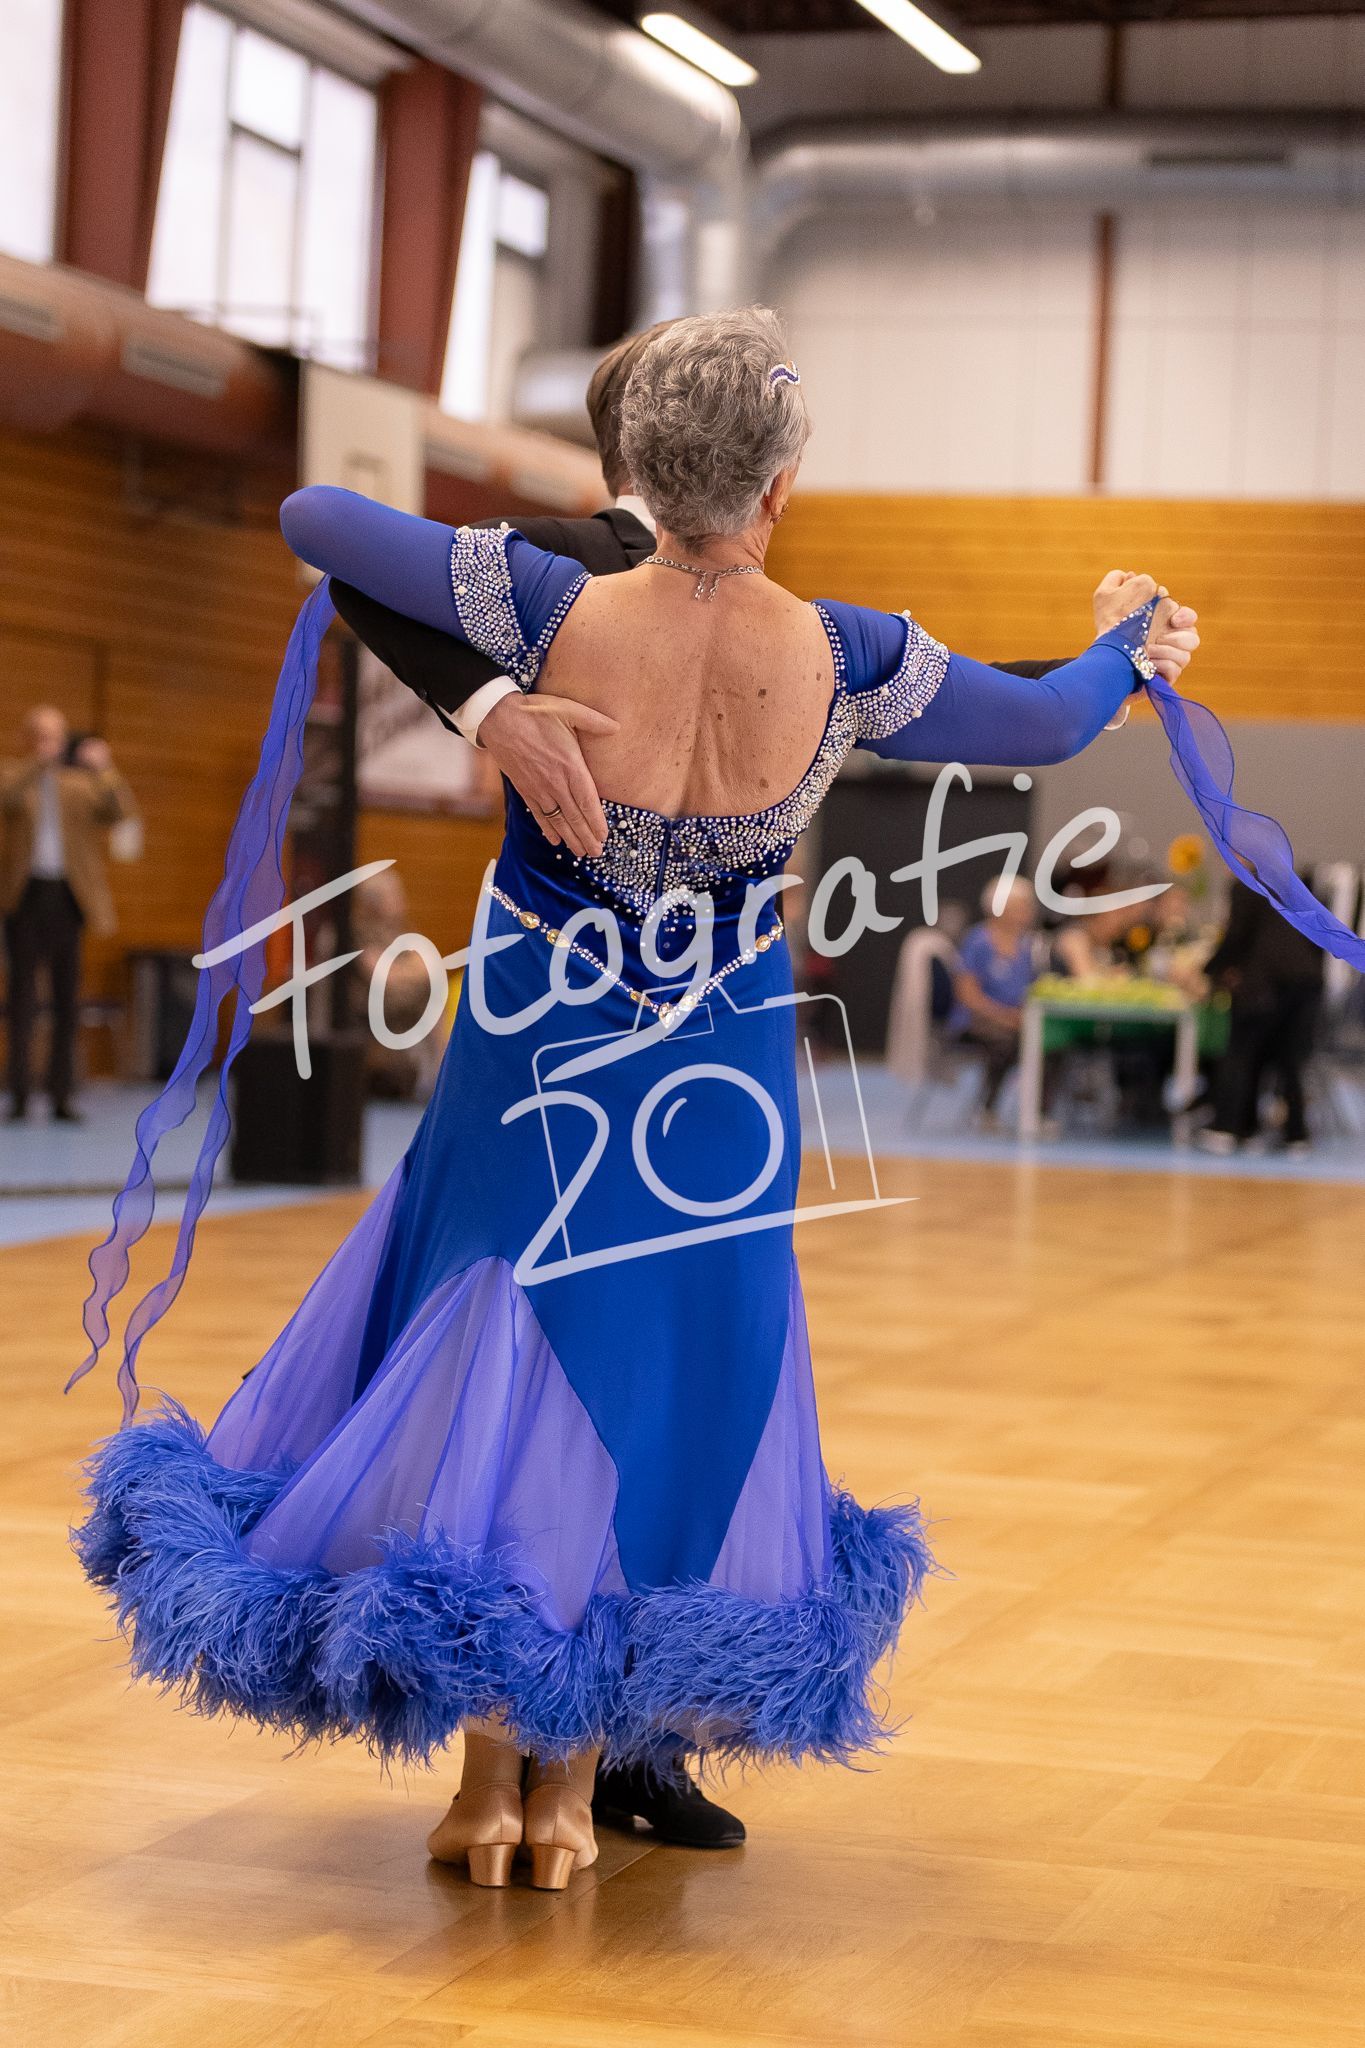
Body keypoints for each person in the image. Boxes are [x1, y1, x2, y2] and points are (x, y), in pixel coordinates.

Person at [76, 308, 1186, 1896]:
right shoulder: (850, 656)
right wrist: (1127, 640)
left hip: (535, 1034)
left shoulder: (544, 601)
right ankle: (573, 1791)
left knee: (493, 1348)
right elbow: (1053, 721)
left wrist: (496, 709)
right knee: (663, 1370)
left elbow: (315, 516)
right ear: (782, 484)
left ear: (641, 475)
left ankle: (486, 1788)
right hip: (716, 1065)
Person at [329, 326, 1203, 862]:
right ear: (778, 485)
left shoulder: (536, 583)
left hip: (541, 1001)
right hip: (723, 1028)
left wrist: (1109, 669)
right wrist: (492, 714)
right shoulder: (833, 646)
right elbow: (1026, 717)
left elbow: (323, 523)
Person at [1, 707, 137, 1121]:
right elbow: (5, 798)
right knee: (22, 999)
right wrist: (36, 766)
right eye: (42, 736)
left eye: (56, 736)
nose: (49, 744)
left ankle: (61, 1095)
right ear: (29, 738)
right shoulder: (13, 775)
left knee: (66, 1000)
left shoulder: (79, 785)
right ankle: (20, 1094)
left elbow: (120, 811)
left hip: (67, 899)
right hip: (25, 898)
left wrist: (105, 768)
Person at [1199, 876, 1325, 1154]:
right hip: (1306, 980)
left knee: (1241, 1052)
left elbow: (1237, 936)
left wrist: (1208, 970)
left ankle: (1227, 1127)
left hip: (1264, 982)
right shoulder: (1291, 882)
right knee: (1290, 1059)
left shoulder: (1246, 884)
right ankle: (1295, 1133)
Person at [949, 878, 1043, 1126]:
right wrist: (1004, 1016)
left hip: (1018, 1019)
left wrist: (1022, 1016)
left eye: (1028, 906)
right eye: (1020, 906)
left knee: (1051, 1044)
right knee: (1006, 1043)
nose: (1027, 912)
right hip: (977, 1021)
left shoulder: (1029, 945)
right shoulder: (977, 941)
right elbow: (967, 995)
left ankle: (1039, 1112)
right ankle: (987, 1108)